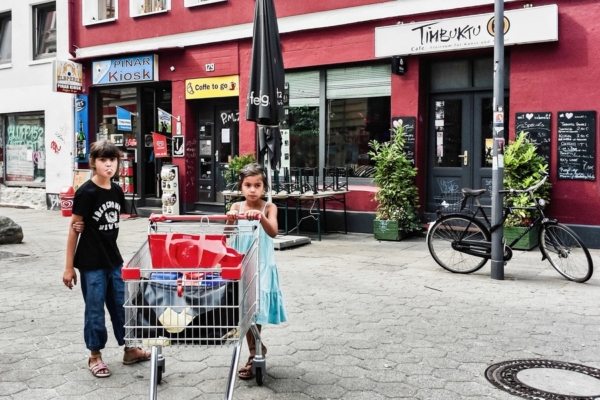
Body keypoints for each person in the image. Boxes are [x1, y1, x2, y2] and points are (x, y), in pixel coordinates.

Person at [62, 140, 150, 378]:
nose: (108, 164)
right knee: (94, 310)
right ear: (93, 163)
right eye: (103, 160)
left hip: (114, 260)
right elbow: (73, 227)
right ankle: (95, 355)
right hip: (91, 263)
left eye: (112, 160)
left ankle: (130, 349)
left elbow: (110, 222)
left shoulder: (117, 190)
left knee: (123, 305)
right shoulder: (86, 192)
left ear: (118, 163)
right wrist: (69, 267)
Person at [226, 163, 287, 380]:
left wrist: (259, 217)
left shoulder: (269, 208)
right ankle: (257, 350)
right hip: (241, 264)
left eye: (257, 185)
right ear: (241, 187)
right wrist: (230, 219)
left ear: (264, 187)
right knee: (244, 310)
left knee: (255, 309)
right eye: (248, 185)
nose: (252, 189)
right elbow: (226, 232)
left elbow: (273, 232)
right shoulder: (236, 207)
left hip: (261, 264)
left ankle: (254, 353)